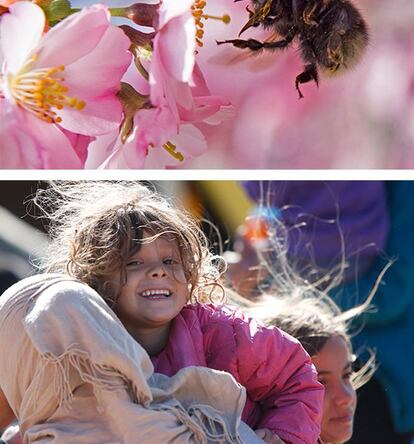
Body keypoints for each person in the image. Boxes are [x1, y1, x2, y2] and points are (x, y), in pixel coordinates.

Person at [0, 181, 323, 444]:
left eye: (170, 262)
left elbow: (298, 376)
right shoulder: (89, 343)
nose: (158, 272)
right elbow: (67, 415)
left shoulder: (222, 332)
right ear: (98, 279)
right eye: (135, 263)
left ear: (190, 273)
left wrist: (284, 436)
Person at [239, 181, 414, 444]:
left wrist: (266, 289)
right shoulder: (281, 188)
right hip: (304, 377)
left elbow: (392, 292)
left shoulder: (401, 183)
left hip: (381, 380)